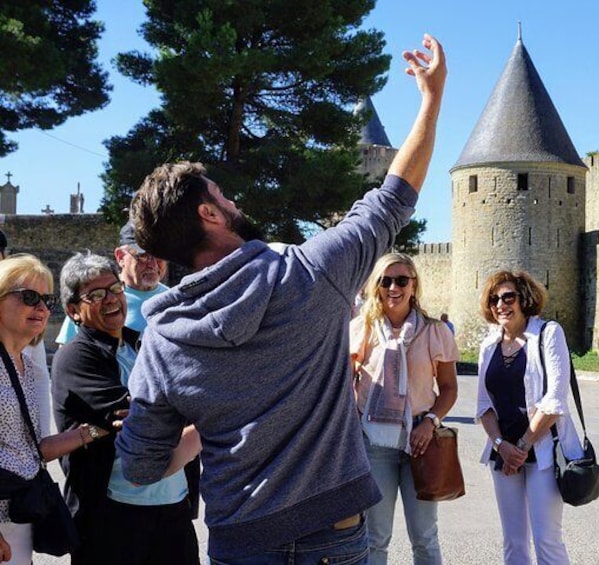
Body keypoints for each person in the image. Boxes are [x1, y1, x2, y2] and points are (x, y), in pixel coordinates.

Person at [114, 33, 447, 564]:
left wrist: (209, 427)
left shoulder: (163, 340)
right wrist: (431, 102)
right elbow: (391, 201)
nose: (232, 197)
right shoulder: (310, 273)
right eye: (221, 194)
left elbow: (140, 466)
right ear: (209, 215)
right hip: (333, 536)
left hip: (239, 541)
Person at [51, 252, 200, 565]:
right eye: (96, 294)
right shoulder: (77, 356)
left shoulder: (143, 342)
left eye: (115, 288)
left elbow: (190, 390)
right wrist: (190, 407)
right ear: (73, 311)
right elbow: (136, 415)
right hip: (113, 515)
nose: (111, 299)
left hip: (172, 508)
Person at [350, 253, 459, 564]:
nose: (393, 287)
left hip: (421, 440)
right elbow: (345, 384)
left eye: (401, 280)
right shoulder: (363, 328)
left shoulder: (435, 331)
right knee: (375, 537)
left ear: (414, 285)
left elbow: (449, 388)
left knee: (425, 536)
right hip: (374, 443)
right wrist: (358, 421)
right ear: (377, 286)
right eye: (385, 281)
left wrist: (431, 423)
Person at [0, 254, 109, 565]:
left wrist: (100, 427)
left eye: (47, 301)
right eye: (29, 297)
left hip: (21, 517)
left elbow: (33, 450)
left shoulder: (28, 368)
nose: (43, 309)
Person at [475, 270, 585, 565]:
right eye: (494, 299)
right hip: (504, 454)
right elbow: (484, 406)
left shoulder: (548, 334)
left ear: (524, 299)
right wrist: (502, 446)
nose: (501, 304)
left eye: (508, 296)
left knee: (546, 539)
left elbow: (554, 401)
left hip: (540, 450)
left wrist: (521, 447)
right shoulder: (489, 345)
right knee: (513, 542)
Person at [55, 220, 169, 345]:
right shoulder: (93, 298)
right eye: (143, 256)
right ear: (120, 257)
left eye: (160, 255)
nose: (153, 264)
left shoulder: (175, 300)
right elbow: (68, 352)